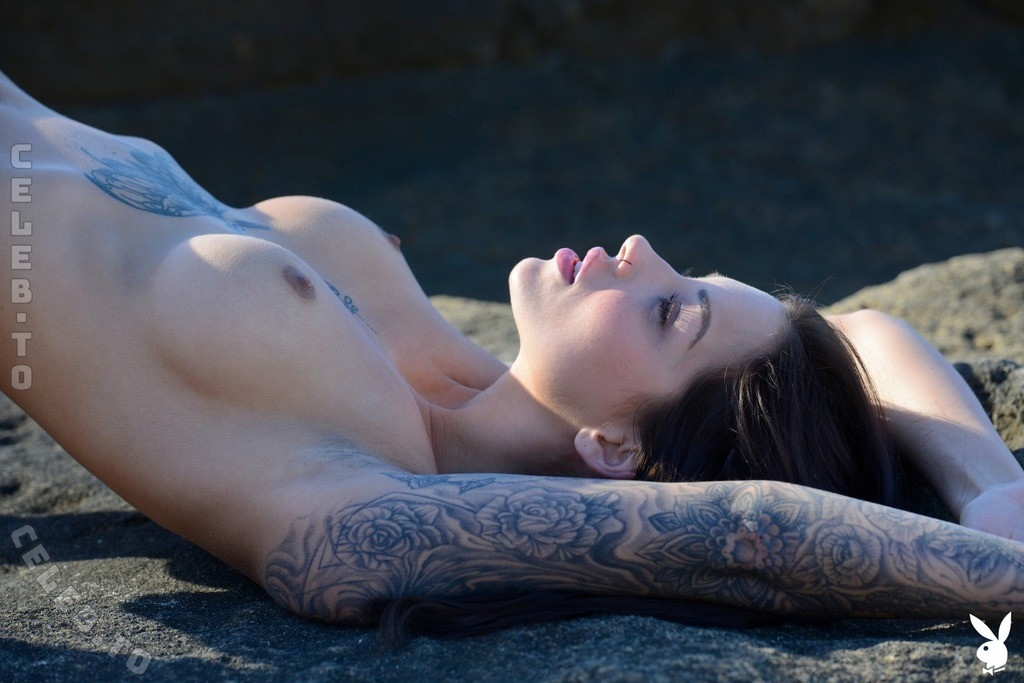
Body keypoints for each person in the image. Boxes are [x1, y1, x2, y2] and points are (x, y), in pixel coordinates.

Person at [2, 70, 1023, 635]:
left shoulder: (358, 499)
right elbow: (865, 333)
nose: (641, 248)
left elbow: (753, 534)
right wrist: (992, 491)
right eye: (691, 275)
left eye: (673, 312)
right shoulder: (449, 376)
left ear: (617, 451)